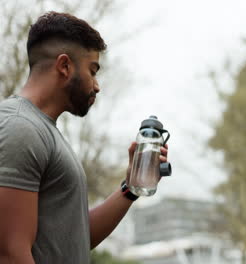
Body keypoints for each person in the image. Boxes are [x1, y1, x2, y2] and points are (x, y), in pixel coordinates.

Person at [0, 12, 168, 263]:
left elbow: (75, 238)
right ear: (65, 66)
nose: (97, 85)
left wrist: (131, 187)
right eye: (93, 70)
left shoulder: (43, 132)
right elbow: (11, 254)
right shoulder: (20, 127)